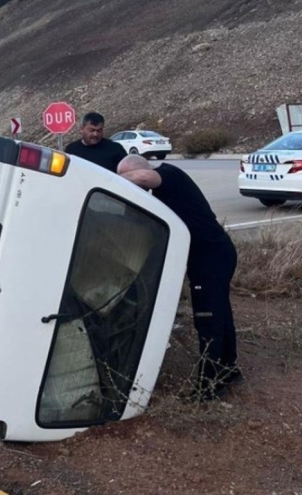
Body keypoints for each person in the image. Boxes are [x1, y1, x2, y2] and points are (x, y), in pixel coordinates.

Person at [117, 155, 242, 401]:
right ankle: (229, 369)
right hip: (215, 254)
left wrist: (115, 181)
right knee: (221, 314)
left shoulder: (167, 175)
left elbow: (142, 176)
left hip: (211, 258)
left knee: (208, 322)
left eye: (129, 179)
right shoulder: (165, 186)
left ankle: (209, 386)